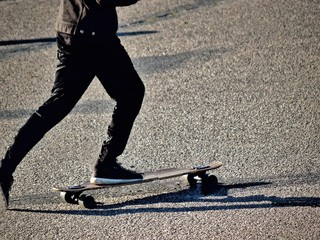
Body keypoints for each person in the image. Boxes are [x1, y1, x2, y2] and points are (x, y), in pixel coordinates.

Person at [0, 0, 145, 208]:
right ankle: (106, 165)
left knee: (57, 105)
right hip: (93, 35)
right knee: (131, 93)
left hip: (70, 28)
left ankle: (5, 169)